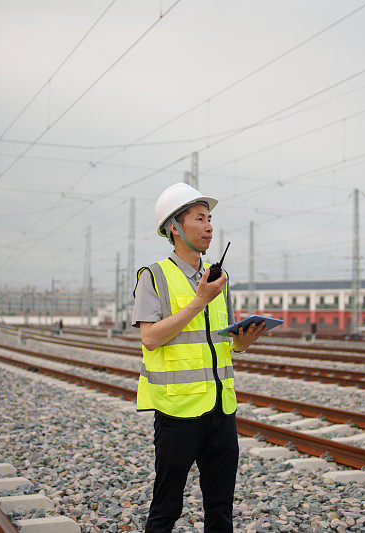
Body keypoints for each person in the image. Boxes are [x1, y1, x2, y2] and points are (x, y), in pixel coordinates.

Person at [133, 183, 266, 532]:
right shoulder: (154, 277)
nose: (209, 226)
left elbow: (220, 341)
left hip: (222, 409)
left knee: (221, 511)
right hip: (178, 413)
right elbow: (150, 338)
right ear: (175, 228)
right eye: (199, 218)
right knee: (166, 508)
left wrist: (242, 343)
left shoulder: (219, 278)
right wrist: (199, 300)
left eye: (210, 219)